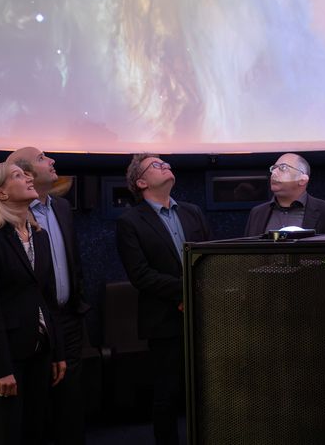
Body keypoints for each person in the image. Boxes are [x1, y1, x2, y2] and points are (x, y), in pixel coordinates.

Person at [116, 153, 212, 445]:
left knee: (208, 390)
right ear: (141, 182)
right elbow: (140, 275)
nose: (166, 166)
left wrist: (194, 294)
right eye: (157, 165)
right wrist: (184, 292)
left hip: (203, 315)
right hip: (163, 319)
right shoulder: (129, 221)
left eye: (166, 163)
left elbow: (211, 257)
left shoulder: (193, 211)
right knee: (167, 395)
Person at [0, 162, 66, 445]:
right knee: (6, 436)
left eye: (26, 174)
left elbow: (47, 299)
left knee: (35, 432)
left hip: (39, 352)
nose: (28, 178)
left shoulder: (39, 235)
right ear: (0, 193)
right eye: (18, 175)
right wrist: (0, 368)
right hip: (5, 358)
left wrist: (57, 351)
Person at [7, 147, 91, 445]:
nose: (53, 161)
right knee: (37, 409)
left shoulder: (63, 207)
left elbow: (74, 261)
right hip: (37, 325)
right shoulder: (12, 214)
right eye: (43, 158)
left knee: (71, 405)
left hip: (69, 320)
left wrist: (78, 302)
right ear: (26, 173)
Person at [244, 153, 325, 236]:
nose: (274, 173)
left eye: (283, 168)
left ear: (303, 179)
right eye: (273, 168)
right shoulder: (257, 213)